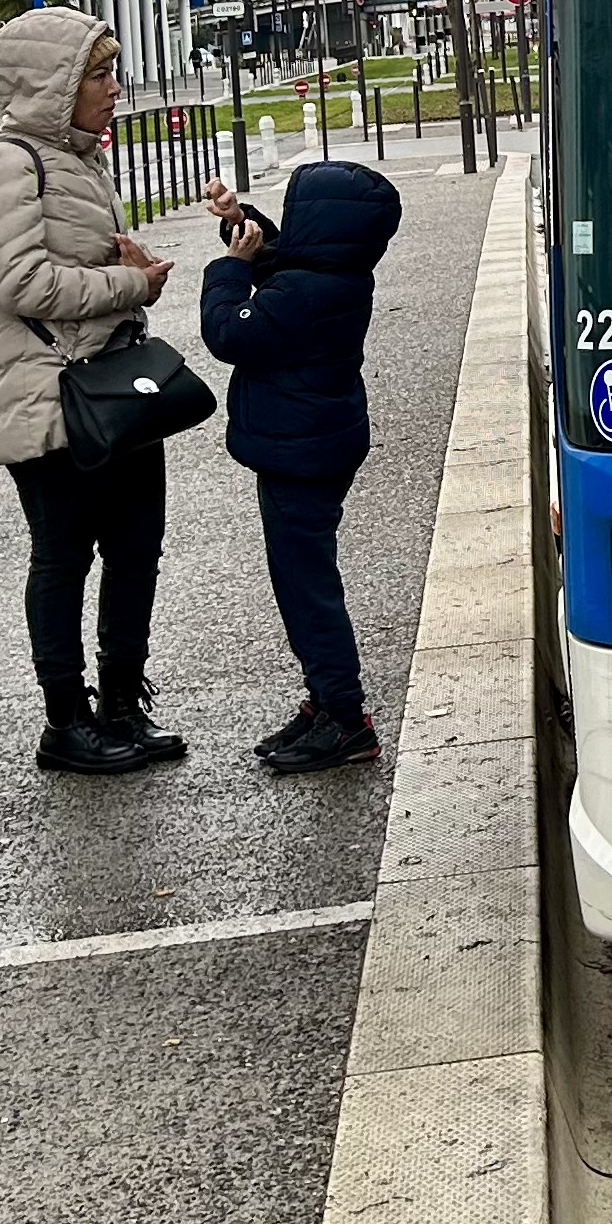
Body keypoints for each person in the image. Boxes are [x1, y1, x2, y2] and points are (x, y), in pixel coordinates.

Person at [0, 8, 184, 775]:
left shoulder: (82, 157)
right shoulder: (9, 162)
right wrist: (128, 279)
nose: (114, 88)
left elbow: (79, 266)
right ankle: (67, 720)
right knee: (63, 556)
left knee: (136, 549)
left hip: (112, 387)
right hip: (49, 394)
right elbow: (19, 280)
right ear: (53, 85)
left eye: (112, 71)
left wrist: (132, 272)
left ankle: (123, 702)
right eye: (99, 74)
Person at [199, 159, 405, 773]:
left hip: (300, 453)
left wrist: (229, 271)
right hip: (318, 445)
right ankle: (324, 701)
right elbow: (287, 260)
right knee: (304, 577)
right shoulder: (337, 273)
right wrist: (241, 224)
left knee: (306, 586)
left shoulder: (303, 294)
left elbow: (228, 333)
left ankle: (344, 717)